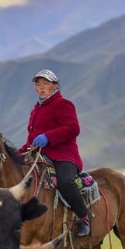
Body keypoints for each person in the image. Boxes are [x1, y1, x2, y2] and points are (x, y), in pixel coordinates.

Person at [18, 69, 90, 237]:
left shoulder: (63, 104)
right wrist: (18, 153)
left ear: (55, 86)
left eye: (46, 83)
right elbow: (31, 140)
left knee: (65, 182)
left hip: (64, 155)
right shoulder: (36, 110)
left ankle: (84, 218)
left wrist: (48, 137)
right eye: (38, 84)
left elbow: (73, 128)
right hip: (41, 155)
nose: (41, 87)